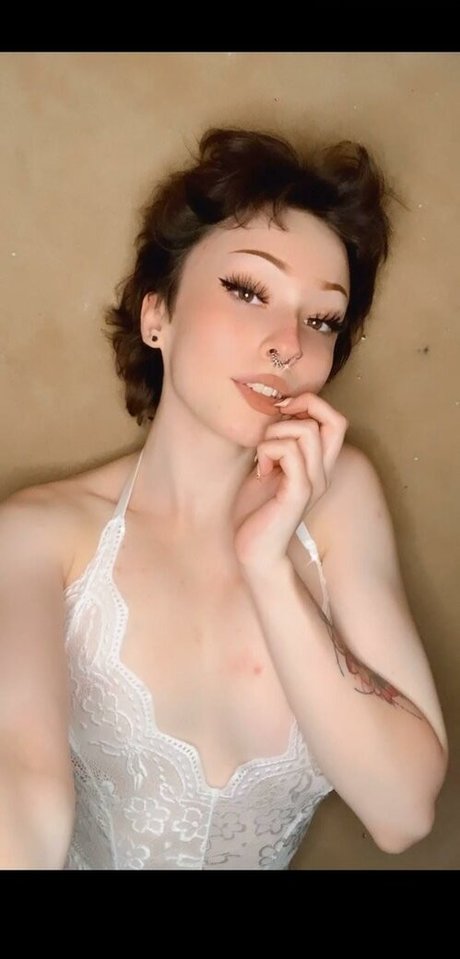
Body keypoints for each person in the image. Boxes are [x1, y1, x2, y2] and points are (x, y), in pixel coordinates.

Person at [0, 126, 448, 870]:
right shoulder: (36, 534)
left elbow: (404, 813)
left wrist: (268, 567)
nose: (288, 343)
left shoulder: (337, 499)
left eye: (321, 319)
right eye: (248, 290)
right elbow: (23, 793)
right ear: (157, 316)